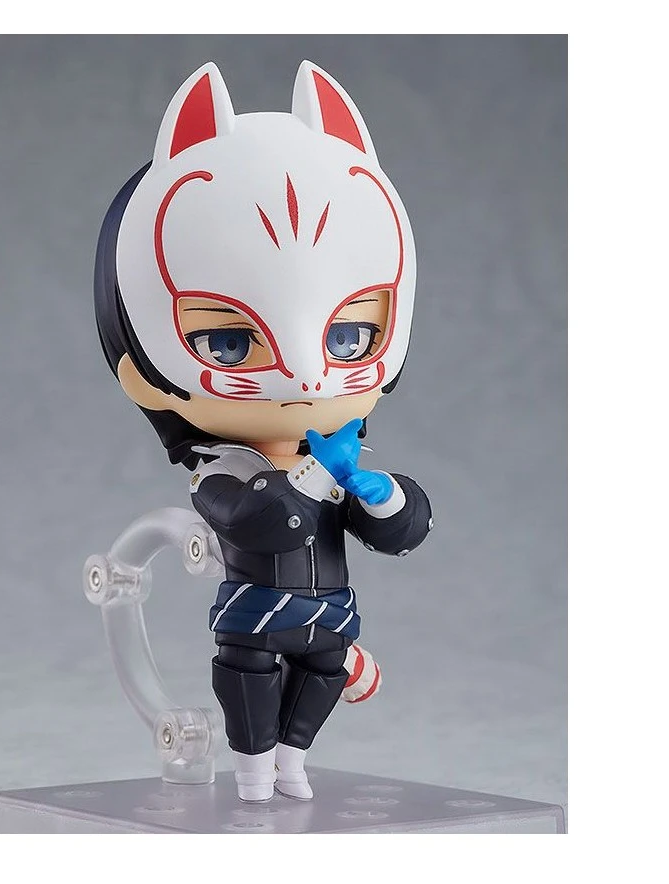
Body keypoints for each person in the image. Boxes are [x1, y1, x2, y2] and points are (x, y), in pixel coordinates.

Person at [94, 60, 432, 802]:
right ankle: (252, 771)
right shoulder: (222, 471)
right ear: (140, 370)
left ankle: (292, 761)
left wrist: (380, 495)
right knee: (248, 679)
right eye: (228, 343)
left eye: (350, 337)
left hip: (329, 620)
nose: (307, 377)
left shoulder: (335, 457)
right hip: (254, 622)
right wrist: (321, 472)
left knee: (322, 679)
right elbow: (266, 520)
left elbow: (401, 534)